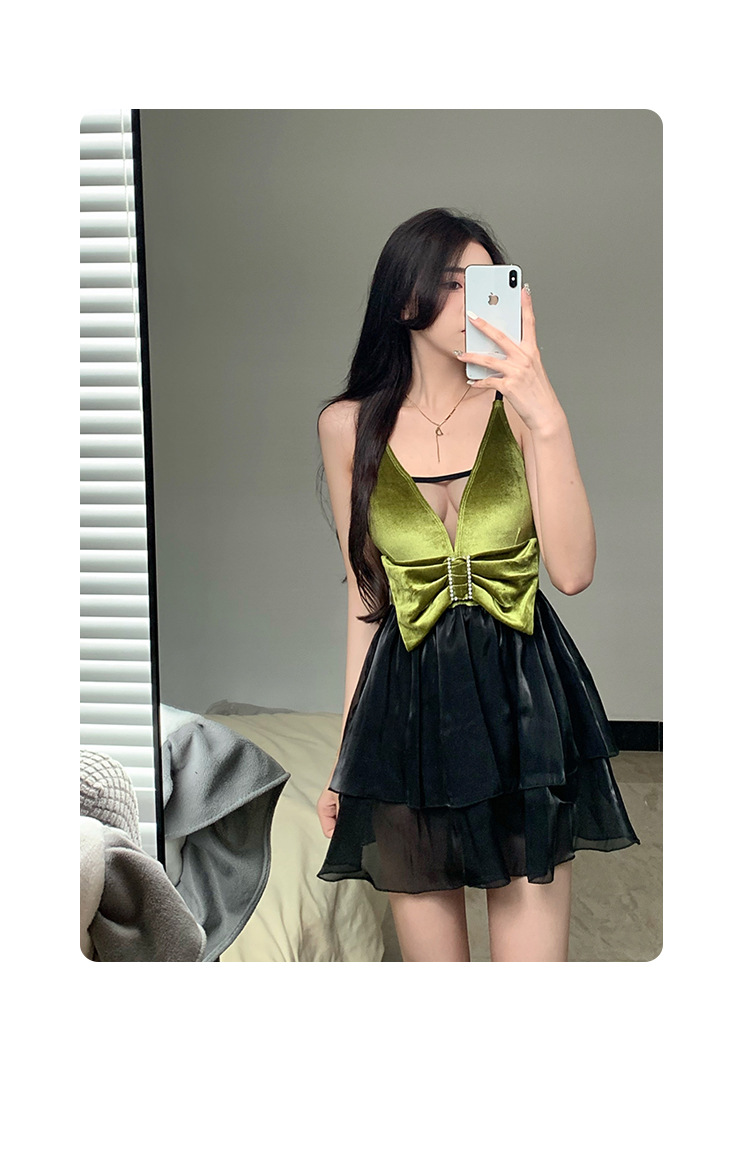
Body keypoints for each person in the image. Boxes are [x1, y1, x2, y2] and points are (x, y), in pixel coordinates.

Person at [315, 207, 639, 963]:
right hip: (408, 709)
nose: (476, 299)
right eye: (454, 282)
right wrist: (346, 754)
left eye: (489, 282)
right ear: (406, 298)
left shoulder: (520, 412)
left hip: (522, 697)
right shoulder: (346, 426)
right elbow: (366, 597)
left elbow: (572, 572)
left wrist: (546, 413)